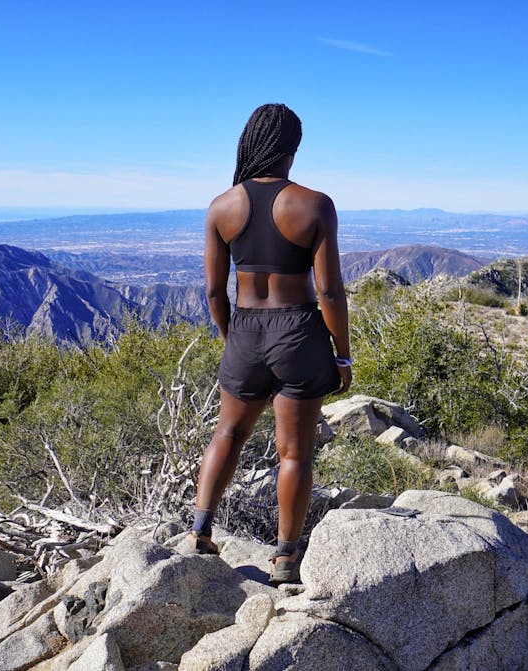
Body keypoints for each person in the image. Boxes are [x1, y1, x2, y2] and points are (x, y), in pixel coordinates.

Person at [184, 103, 352, 584]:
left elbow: (216, 291)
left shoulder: (222, 206)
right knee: (294, 453)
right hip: (298, 330)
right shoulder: (314, 204)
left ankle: (199, 530)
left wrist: (231, 336)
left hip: (246, 328)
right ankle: (284, 557)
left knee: (228, 434)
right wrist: (341, 353)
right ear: (292, 148)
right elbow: (330, 291)